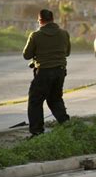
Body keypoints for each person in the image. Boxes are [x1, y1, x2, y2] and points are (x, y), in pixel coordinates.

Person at [23, 9, 71, 137]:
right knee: (55, 99)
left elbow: (26, 55)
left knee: (35, 101)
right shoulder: (64, 34)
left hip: (43, 72)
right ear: (53, 19)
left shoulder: (35, 35)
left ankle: (37, 131)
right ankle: (67, 126)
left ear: (40, 20)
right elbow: (67, 53)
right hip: (60, 71)